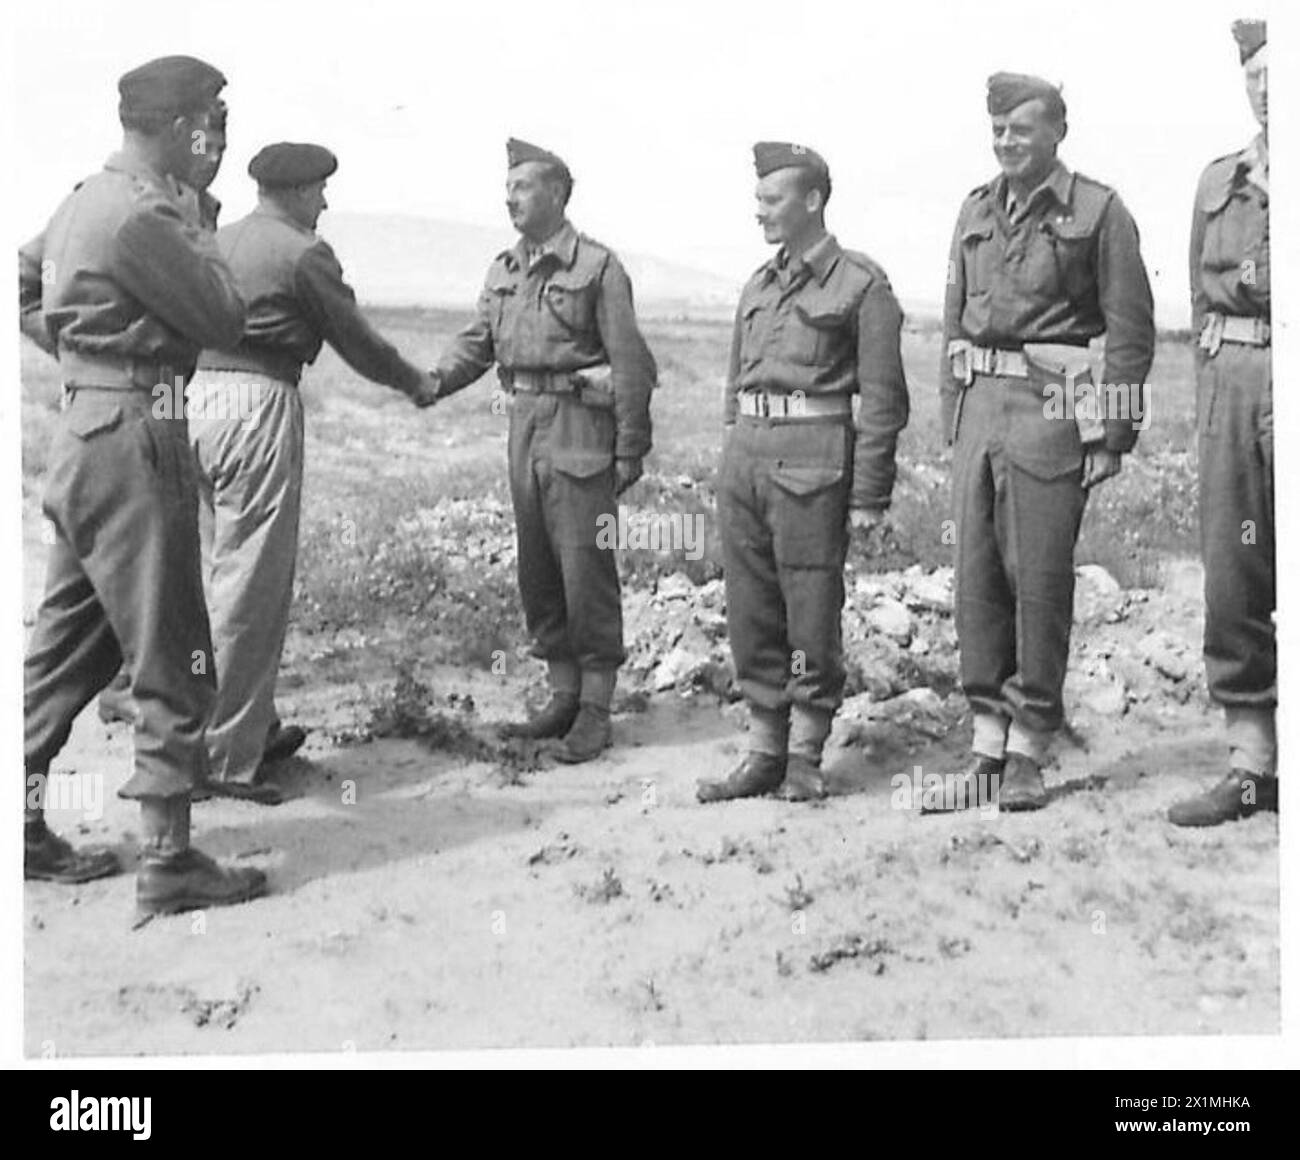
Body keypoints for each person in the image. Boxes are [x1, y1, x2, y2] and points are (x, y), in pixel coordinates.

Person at [19, 55, 267, 914]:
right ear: (176, 126)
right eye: (213, 123)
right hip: (136, 438)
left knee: (69, 645)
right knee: (173, 651)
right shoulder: (149, 211)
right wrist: (199, 213)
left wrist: (86, 358)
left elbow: (23, 281)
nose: (221, 140)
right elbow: (226, 317)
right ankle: (169, 864)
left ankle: (19, 827)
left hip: (84, 435)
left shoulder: (87, 197)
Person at [926, 73, 1155, 814]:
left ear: (1057, 130)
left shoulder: (1099, 211)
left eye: (1019, 130)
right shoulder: (973, 209)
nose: (1005, 142)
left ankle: (1029, 745)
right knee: (978, 582)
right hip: (981, 409)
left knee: (1040, 582)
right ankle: (986, 743)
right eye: (996, 131)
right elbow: (954, 322)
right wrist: (951, 419)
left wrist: (1111, 434)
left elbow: (1129, 330)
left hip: (1054, 408)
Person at [189, 142, 440, 804]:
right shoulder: (303, 253)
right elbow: (356, 340)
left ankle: (229, 729)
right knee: (250, 586)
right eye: (320, 192)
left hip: (189, 403)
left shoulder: (219, 236)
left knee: (205, 576)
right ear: (298, 193)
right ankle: (228, 761)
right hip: (257, 405)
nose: (325, 204)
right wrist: (415, 382)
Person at [428, 138, 657, 763]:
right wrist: (433, 380)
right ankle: (560, 695)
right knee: (539, 564)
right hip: (523, 421)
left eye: (523, 187)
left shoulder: (598, 268)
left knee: (586, 564)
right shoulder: (502, 269)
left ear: (557, 193)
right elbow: (477, 342)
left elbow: (631, 362)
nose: (511, 198)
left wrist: (630, 447)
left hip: (581, 423)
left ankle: (595, 708)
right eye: (507, 189)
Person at [696, 142, 908, 804]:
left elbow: (883, 400)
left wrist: (868, 495)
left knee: (810, 609)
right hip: (749, 464)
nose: (759, 211)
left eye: (772, 199)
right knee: (751, 608)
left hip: (814, 464)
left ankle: (806, 752)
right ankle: (763, 748)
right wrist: (733, 455)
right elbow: (737, 385)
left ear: (812, 201)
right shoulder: (758, 285)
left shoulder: (860, 285)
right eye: (757, 199)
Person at [1168, 19, 1275, 826]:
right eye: (1257, 74)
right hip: (1234, 384)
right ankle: (1251, 764)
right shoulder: (1219, 182)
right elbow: (1201, 303)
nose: (1269, 87)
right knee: (1234, 571)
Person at [97, 99, 229, 727]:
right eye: (208, 140)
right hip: (133, 407)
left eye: (223, 143)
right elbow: (24, 283)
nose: (216, 154)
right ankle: (144, 703)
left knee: (178, 564)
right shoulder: (130, 202)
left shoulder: (199, 207)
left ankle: (190, 703)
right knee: (150, 568)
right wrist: (99, 353)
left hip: (176, 399)